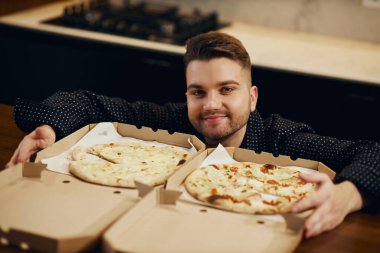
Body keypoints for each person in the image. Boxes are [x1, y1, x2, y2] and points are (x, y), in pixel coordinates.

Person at [5, 32, 379, 238]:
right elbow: (81, 102)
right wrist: (51, 127)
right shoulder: (171, 126)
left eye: (227, 89)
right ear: (186, 95)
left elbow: (373, 152)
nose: (211, 104)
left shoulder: (280, 140)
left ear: (252, 98)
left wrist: (347, 196)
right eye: (198, 92)